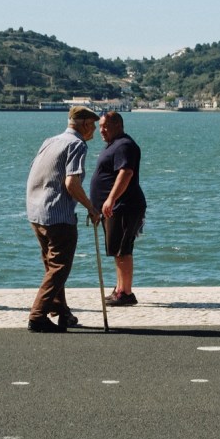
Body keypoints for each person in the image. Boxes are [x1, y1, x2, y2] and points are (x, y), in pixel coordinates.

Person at [25, 105, 102, 333]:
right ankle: (37, 315)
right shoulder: (77, 145)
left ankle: (62, 312)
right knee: (59, 267)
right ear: (86, 124)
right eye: (93, 126)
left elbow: (34, 171)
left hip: (36, 212)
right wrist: (91, 207)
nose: (95, 131)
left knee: (51, 265)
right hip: (58, 214)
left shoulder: (50, 141)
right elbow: (71, 183)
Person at [89, 111, 146, 305]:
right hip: (114, 207)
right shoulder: (115, 145)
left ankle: (126, 293)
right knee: (117, 249)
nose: (101, 130)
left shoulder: (124, 145)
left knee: (123, 249)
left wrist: (111, 199)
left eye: (105, 126)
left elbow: (126, 173)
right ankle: (120, 288)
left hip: (123, 206)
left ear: (118, 125)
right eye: (100, 127)